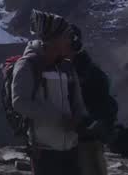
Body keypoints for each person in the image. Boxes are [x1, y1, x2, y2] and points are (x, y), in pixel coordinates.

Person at [11, 10, 87, 175]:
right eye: (67, 36)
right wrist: (59, 117)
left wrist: (78, 118)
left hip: (71, 146)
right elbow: (19, 102)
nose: (70, 41)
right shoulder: (27, 65)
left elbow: (77, 102)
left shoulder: (67, 66)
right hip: (44, 150)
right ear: (55, 40)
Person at [69, 25, 117, 175]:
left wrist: (90, 125)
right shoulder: (85, 69)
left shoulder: (90, 73)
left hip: (84, 137)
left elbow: (104, 106)